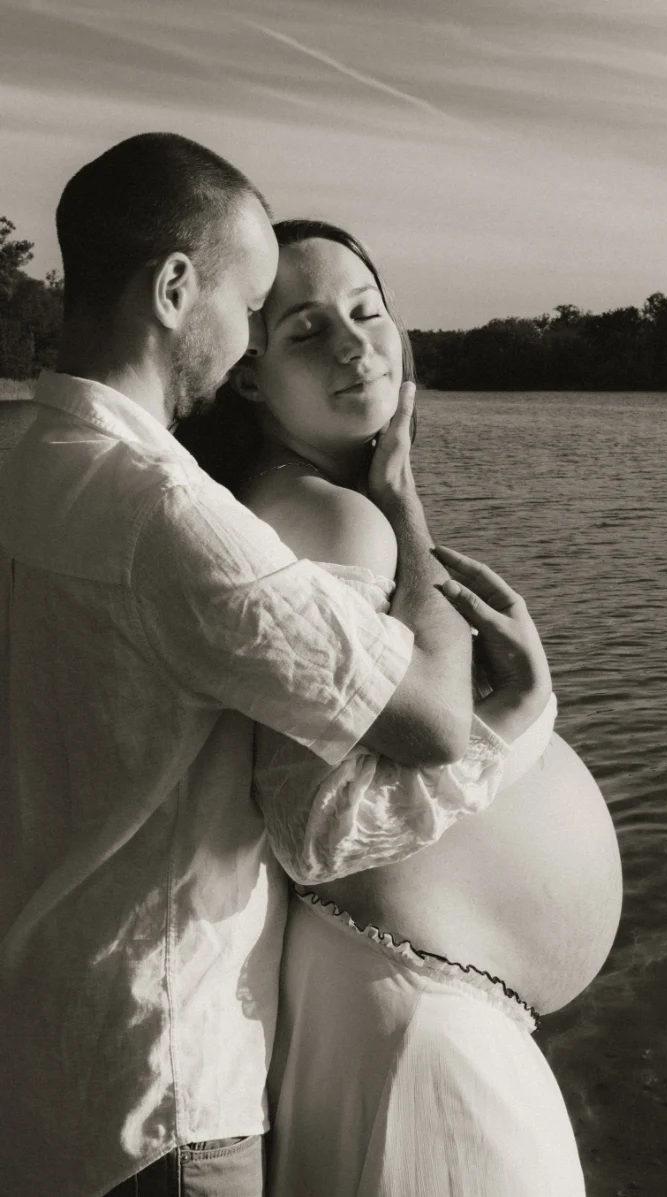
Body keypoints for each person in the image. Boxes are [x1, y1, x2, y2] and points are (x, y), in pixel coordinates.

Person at [0, 138, 540, 1197]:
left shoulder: (29, 459)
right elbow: (426, 722)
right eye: (255, 309)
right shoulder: (167, 517)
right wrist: (519, 700)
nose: (250, 342)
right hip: (160, 1093)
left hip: (49, 1058)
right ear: (173, 289)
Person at [182, 219, 623, 1196]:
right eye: (305, 330)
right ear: (249, 377)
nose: (353, 345)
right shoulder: (324, 516)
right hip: (417, 1019)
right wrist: (519, 715)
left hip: (407, 1002)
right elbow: (317, 826)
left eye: (366, 310)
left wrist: (403, 501)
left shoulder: (324, 499)